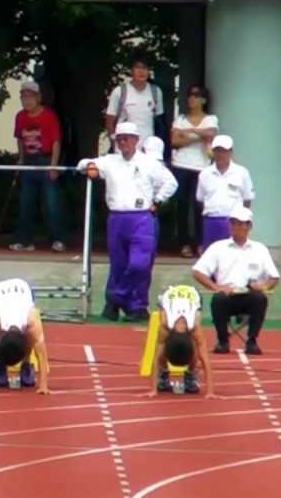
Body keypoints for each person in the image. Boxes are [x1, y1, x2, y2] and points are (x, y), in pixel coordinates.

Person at [80, 121, 178, 321]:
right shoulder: (109, 161)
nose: (123, 142)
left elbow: (171, 182)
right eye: (119, 139)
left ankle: (116, 298)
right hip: (117, 217)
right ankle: (135, 307)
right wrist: (90, 167)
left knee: (139, 264)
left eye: (127, 138)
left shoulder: (149, 162)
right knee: (118, 264)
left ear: (136, 140)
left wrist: (157, 201)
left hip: (141, 216)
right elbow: (82, 164)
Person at [192, 205, 281, 355]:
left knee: (260, 298)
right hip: (228, 295)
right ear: (229, 225)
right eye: (234, 223)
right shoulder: (218, 247)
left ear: (249, 226)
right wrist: (215, 287)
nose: (237, 227)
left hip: (250, 295)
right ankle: (223, 341)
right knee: (218, 299)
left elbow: (274, 277)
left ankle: (252, 341)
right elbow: (197, 271)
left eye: (242, 223)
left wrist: (264, 286)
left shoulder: (260, 249)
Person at [10, 81, 66, 253]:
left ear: (38, 98)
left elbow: (56, 141)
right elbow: (20, 139)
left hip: (46, 160)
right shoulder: (20, 116)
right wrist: (20, 159)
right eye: (23, 97)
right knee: (26, 203)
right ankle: (25, 240)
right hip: (29, 162)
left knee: (51, 203)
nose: (26, 101)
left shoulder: (49, 116)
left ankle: (58, 239)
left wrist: (54, 166)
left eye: (30, 97)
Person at [0, 278, 50, 395]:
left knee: (31, 336)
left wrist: (43, 386)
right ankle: (1, 365)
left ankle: (26, 364)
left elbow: (42, 355)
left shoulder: (32, 320)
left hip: (23, 287)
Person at [169, 85, 218, 257]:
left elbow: (211, 133)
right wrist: (198, 137)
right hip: (181, 165)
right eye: (190, 95)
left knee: (199, 206)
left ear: (203, 100)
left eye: (197, 96)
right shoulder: (180, 118)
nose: (192, 99)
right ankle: (183, 243)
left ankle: (199, 242)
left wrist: (188, 132)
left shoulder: (210, 118)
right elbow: (174, 140)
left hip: (201, 167)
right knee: (181, 205)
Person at [144, 284, 217, 399]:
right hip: (169, 296)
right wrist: (153, 390)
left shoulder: (195, 327)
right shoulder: (165, 325)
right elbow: (156, 358)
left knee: (197, 350)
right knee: (160, 348)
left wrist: (210, 392)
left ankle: (190, 375)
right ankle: (163, 374)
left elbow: (205, 360)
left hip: (193, 295)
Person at [195, 135, 253, 253]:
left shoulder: (241, 172)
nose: (220, 154)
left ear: (230, 152)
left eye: (224, 151)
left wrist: (240, 219)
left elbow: (247, 199)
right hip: (211, 221)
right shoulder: (205, 174)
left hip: (233, 222)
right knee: (210, 256)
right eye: (217, 150)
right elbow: (200, 199)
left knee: (233, 256)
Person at [104, 55, 163, 147]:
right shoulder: (120, 91)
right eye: (137, 67)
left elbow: (159, 121)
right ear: (131, 71)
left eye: (144, 68)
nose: (141, 71)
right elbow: (109, 121)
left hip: (147, 148)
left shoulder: (156, 91)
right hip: (124, 148)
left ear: (149, 71)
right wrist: (115, 141)